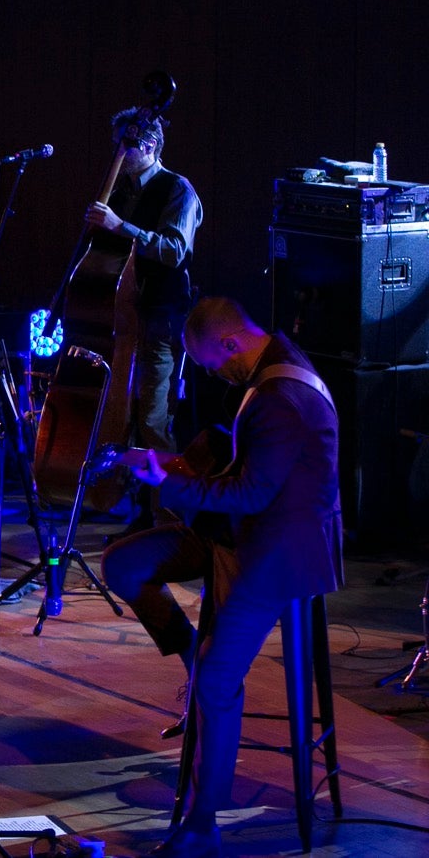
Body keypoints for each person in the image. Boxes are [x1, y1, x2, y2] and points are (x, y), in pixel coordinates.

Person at [101, 296, 343, 858]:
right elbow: (249, 466)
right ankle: (194, 660)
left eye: (211, 361)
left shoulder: (280, 396)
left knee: (217, 681)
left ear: (231, 343)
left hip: (278, 551)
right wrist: (179, 465)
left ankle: (203, 825)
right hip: (238, 532)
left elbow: (254, 492)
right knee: (127, 564)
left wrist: (166, 481)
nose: (212, 373)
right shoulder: (270, 364)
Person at [84, 107, 203, 523]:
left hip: (161, 317)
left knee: (153, 419)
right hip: (124, 322)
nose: (118, 152)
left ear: (148, 146)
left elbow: (173, 250)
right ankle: (138, 512)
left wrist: (120, 226)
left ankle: (170, 519)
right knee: (124, 419)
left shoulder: (178, 190)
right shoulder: (122, 190)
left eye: (126, 144)